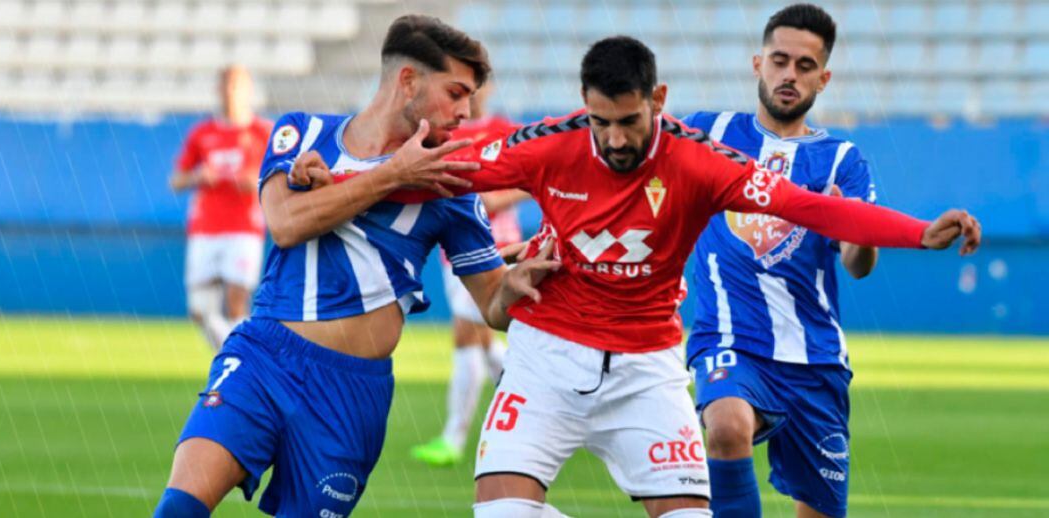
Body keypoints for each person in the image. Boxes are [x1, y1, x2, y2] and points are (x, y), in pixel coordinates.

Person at [310, 36, 980, 518]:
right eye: (601, 122)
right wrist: (336, 178)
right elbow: (437, 171)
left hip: (647, 368)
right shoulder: (552, 142)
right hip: (547, 356)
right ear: (584, 105)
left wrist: (917, 232)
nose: (615, 139)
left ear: (657, 100)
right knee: (501, 514)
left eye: (629, 121)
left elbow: (811, 206)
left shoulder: (700, 162)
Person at [153, 15, 510, 517]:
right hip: (264, 359)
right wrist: (393, 174)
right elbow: (286, 224)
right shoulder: (301, 132)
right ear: (408, 82)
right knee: (178, 510)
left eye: (470, 96)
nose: (466, 110)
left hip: (349, 394)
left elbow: (495, 302)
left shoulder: (451, 187)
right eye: (455, 92)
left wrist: (539, 279)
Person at [683, 5, 892, 517]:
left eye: (804, 66)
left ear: (824, 77)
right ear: (759, 63)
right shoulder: (707, 133)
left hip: (815, 359)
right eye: (780, 61)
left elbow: (858, 264)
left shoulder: (843, 159)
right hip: (731, 340)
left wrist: (854, 229)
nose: (789, 75)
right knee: (727, 426)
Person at [412, 83, 530, 467]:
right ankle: (533, 402)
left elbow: (529, 179)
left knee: (468, 334)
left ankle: (454, 437)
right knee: (482, 339)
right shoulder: (449, 134)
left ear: (490, 88)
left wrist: (495, 197)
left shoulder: (504, 128)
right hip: (456, 247)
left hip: (498, 245)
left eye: (477, 88)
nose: (472, 97)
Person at [169, 65, 272, 351]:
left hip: (244, 228)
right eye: (226, 86)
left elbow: (282, 177)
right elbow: (176, 181)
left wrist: (256, 181)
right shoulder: (203, 133)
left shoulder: (263, 133)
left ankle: (237, 363)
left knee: (237, 302)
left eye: (236, 86)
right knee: (199, 309)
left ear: (248, 91)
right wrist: (197, 177)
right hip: (205, 227)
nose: (230, 93)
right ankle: (237, 355)